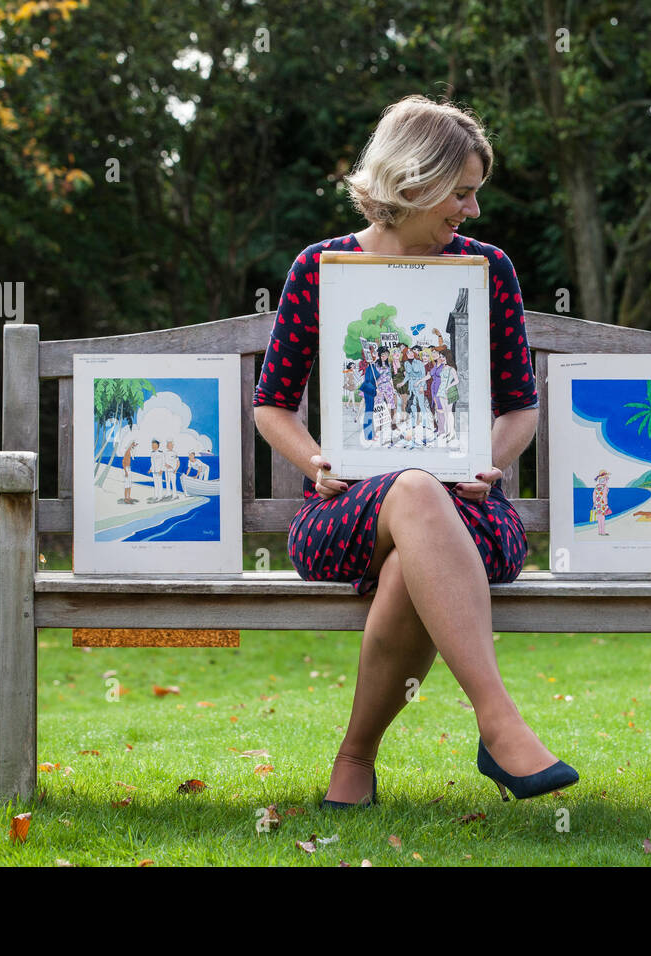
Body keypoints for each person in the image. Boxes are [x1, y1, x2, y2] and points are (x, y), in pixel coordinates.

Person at [252, 94, 577, 809]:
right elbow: (272, 404)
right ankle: (499, 723)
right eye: (461, 194)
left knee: (417, 533)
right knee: (412, 491)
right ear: (412, 183)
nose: (473, 210)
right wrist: (314, 462)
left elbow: (520, 404)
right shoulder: (320, 268)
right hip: (345, 514)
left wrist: (489, 460)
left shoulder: (488, 268)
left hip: (470, 512)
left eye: (474, 193)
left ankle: (355, 760)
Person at [592, 468, 612, 535]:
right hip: (602, 504)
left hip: (597, 504)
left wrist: (594, 502)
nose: (607, 480)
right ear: (605, 479)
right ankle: (603, 532)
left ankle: (599, 531)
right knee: (602, 518)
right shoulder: (605, 487)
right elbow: (604, 496)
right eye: (607, 479)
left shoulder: (596, 487)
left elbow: (594, 495)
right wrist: (606, 503)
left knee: (598, 517)